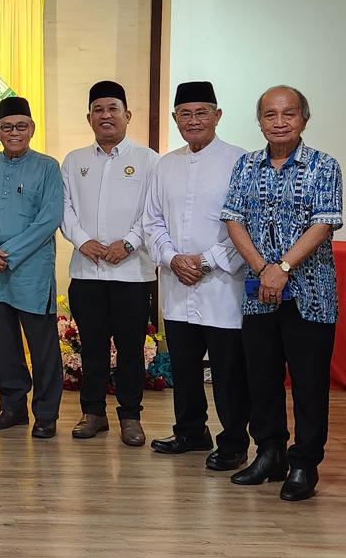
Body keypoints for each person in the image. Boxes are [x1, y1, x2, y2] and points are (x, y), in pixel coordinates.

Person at [222, 85, 342, 502]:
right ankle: (269, 454)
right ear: (259, 121)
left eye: (288, 114)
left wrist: (283, 268)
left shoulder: (324, 165)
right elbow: (233, 219)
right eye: (270, 115)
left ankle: (305, 463)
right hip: (259, 293)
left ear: (303, 118)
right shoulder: (246, 165)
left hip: (311, 296)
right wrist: (263, 270)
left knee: (309, 384)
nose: (279, 122)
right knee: (262, 379)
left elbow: (324, 223)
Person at [144, 81, 250, 471]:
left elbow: (246, 225)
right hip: (177, 282)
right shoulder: (165, 165)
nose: (193, 121)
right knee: (184, 365)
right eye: (185, 114)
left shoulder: (241, 161)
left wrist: (205, 261)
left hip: (223, 285)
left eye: (201, 112)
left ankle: (234, 442)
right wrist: (172, 258)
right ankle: (190, 431)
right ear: (175, 119)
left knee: (228, 370)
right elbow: (151, 221)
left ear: (217, 115)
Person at [61, 80, 159, 446]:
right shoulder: (75, 161)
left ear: (127, 115)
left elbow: (154, 211)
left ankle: (131, 417)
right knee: (92, 347)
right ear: (89, 118)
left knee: (131, 349)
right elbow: (64, 207)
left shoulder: (149, 160)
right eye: (98, 110)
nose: (105, 116)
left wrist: (129, 242)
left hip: (132, 273)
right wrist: (82, 240)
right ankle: (93, 413)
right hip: (87, 271)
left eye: (112, 109)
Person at [0, 96, 64, 439]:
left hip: (31, 270)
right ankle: (12, 407)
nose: (14, 132)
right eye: (7, 127)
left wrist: (7, 253)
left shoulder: (48, 167)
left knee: (42, 346)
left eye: (21, 126)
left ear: (32, 129)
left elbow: (50, 218)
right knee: (5, 345)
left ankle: (46, 414)